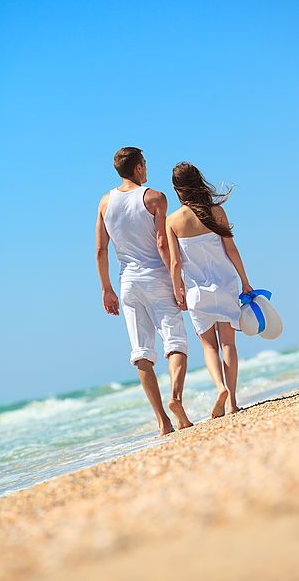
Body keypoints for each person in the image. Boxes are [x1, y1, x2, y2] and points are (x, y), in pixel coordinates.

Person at [95, 147, 193, 435]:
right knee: (176, 342)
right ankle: (176, 400)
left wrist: (106, 289)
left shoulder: (104, 202)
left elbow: (101, 250)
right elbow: (163, 244)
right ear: (138, 168)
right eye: (145, 164)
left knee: (141, 353)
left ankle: (162, 422)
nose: (146, 169)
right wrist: (177, 281)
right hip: (157, 277)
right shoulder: (154, 197)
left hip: (127, 283)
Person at [166, 162, 253, 417]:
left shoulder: (173, 220)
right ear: (199, 182)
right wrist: (246, 281)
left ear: (177, 189)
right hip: (225, 285)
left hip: (196, 291)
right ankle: (232, 402)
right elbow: (232, 250)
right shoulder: (216, 212)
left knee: (209, 347)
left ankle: (219, 387)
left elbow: (175, 262)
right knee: (228, 344)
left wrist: (177, 290)